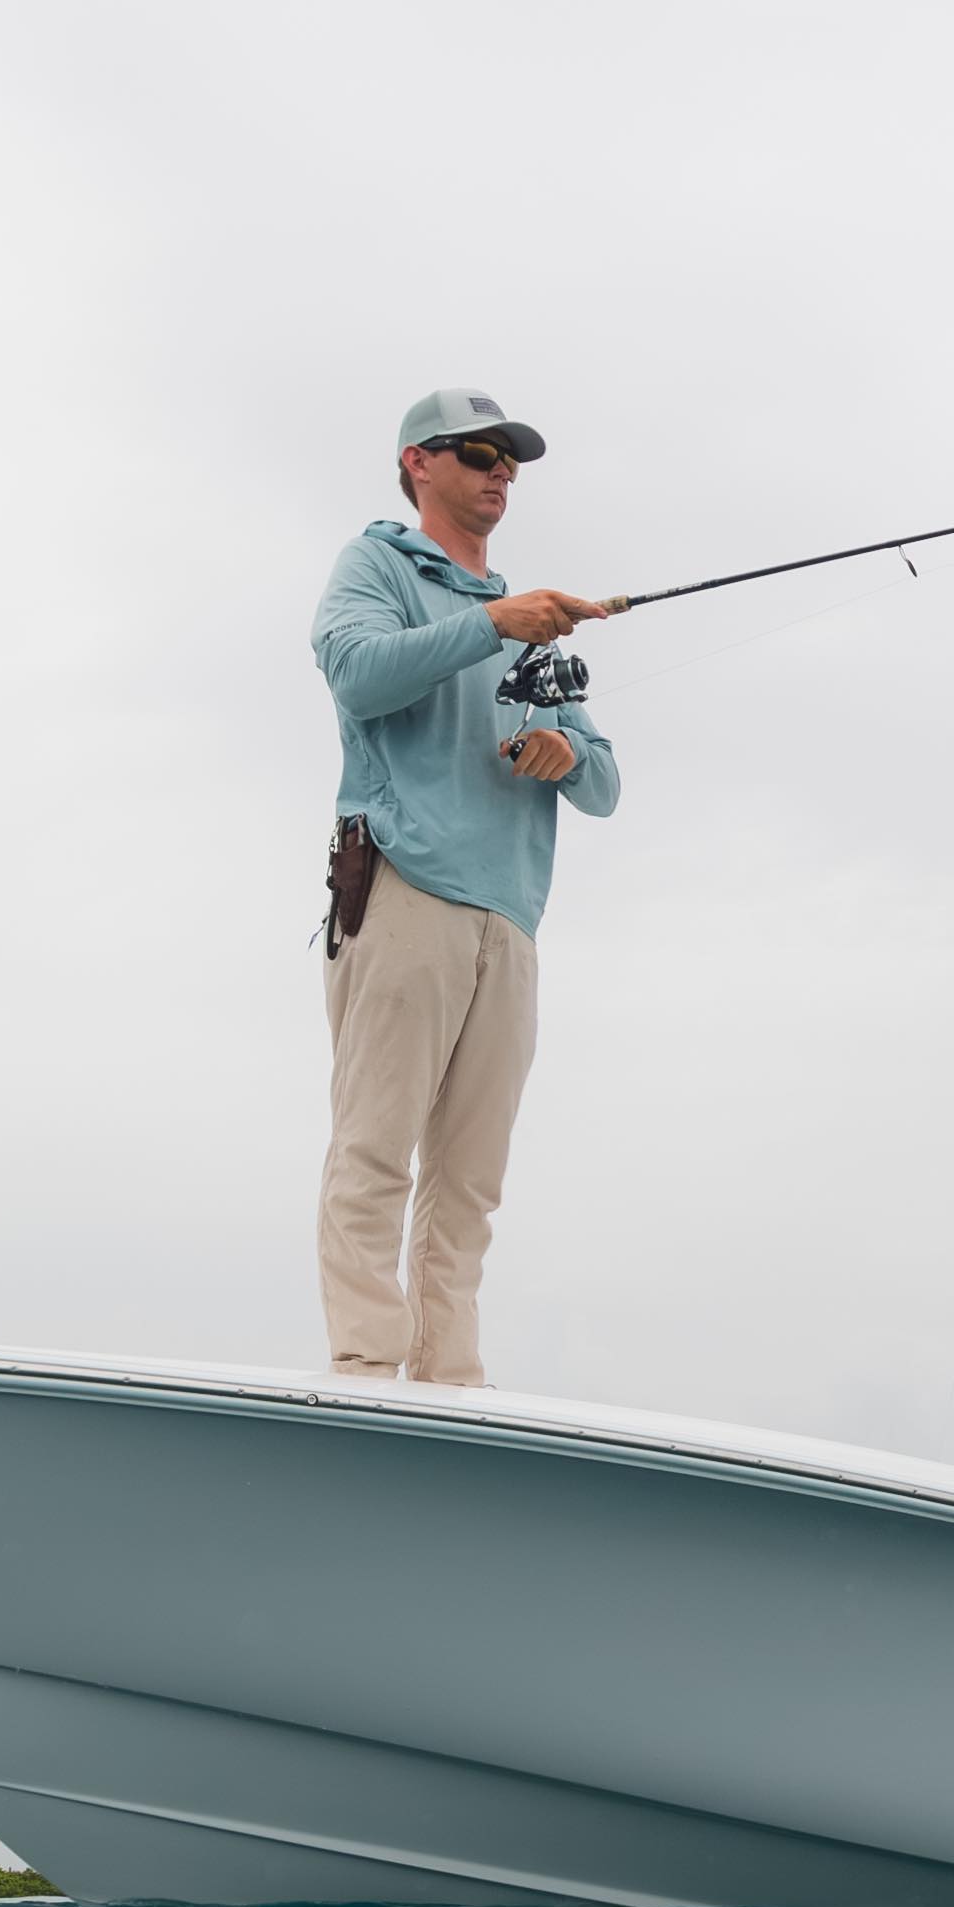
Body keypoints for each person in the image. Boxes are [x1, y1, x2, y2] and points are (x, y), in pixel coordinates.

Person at [310, 389, 620, 1385]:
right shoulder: (379, 567)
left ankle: (448, 1388)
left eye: (512, 459)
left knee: (470, 1184)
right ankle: (364, 1372)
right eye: (480, 452)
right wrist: (492, 623)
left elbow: (606, 784)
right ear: (418, 463)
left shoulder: (538, 626)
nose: (502, 472)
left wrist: (557, 750)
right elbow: (354, 671)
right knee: (375, 1151)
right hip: (406, 889)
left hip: (510, 921)